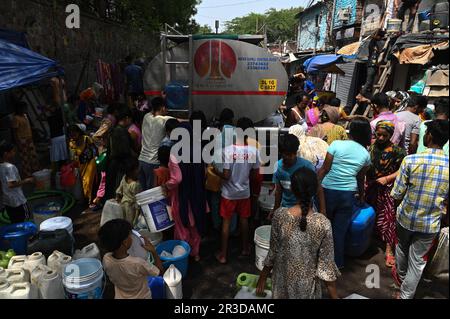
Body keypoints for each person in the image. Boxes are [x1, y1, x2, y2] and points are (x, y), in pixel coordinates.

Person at [256, 168, 340, 299]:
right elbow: (326, 267)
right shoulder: (323, 223)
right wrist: (335, 297)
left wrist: (263, 277)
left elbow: (273, 251)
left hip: (281, 283)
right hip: (306, 289)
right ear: (315, 190)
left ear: (292, 190)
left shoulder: (280, 216)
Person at [391, 119, 449, 299]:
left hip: (406, 217)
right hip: (430, 223)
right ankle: (406, 295)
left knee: (401, 249)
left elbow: (397, 193)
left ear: (429, 136)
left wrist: (396, 210)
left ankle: (401, 284)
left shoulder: (411, 160)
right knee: (417, 261)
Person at [317, 117, 372, 269]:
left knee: (322, 226)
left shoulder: (336, 145)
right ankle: (337, 263)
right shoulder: (365, 154)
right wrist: (361, 196)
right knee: (339, 231)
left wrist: (313, 186)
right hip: (348, 194)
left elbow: (324, 170)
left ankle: (319, 261)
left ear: (351, 131)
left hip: (327, 191)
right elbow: (361, 178)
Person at [214, 118, 260, 264]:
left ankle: (223, 255)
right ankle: (245, 248)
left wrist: (216, 171)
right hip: (244, 192)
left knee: (226, 223)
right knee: (244, 221)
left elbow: (226, 175)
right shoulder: (254, 151)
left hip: (228, 194)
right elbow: (254, 173)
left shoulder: (228, 151)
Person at [365, 121, 407, 268]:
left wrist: (387, 178)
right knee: (370, 216)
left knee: (389, 219)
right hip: (371, 187)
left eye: (385, 135)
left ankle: (389, 250)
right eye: (379, 134)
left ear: (390, 135)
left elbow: (402, 170)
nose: (381, 138)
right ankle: (367, 244)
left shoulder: (398, 151)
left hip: (387, 188)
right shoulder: (370, 147)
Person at [154, 145, 202, 261]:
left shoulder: (173, 161)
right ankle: (195, 253)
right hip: (194, 197)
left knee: (181, 227)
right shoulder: (195, 155)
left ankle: (182, 254)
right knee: (193, 226)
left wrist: (167, 185)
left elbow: (177, 179)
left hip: (181, 198)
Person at [99, 219, 164, 299]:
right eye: (130, 235)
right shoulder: (137, 263)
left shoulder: (106, 259)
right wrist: (153, 251)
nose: (132, 238)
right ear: (125, 242)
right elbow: (159, 272)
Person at [271, 134, 323, 217]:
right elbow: (278, 191)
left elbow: (318, 189)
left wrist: (323, 210)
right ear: (281, 153)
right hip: (286, 210)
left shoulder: (307, 166)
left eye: (293, 154)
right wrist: (275, 210)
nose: (291, 157)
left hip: (306, 211)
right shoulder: (277, 167)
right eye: (287, 154)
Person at [139, 97, 171, 191]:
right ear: (162, 108)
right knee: (152, 195)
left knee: (143, 193)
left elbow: (153, 111)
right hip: (153, 162)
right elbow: (180, 121)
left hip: (141, 160)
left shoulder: (146, 117)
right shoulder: (165, 120)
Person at [104, 109, 137, 201]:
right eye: (130, 119)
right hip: (120, 165)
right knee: (118, 188)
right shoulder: (121, 131)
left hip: (113, 163)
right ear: (126, 118)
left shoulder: (114, 130)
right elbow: (125, 150)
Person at [0, 143, 35, 224]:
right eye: (12, 152)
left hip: (7, 201)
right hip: (18, 201)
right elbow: (11, 184)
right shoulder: (10, 167)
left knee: (15, 222)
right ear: (6, 154)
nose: (14, 153)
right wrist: (27, 180)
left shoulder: (1, 166)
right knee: (25, 221)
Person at [69, 124, 97, 203]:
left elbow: (94, 150)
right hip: (80, 166)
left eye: (74, 133)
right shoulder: (71, 143)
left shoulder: (86, 139)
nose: (73, 136)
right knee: (81, 184)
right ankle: (86, 199)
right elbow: (72, 156)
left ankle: (90, 200)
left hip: (89, 163)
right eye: (71, 134)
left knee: (88, 182)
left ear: (79, 132)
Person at [11, 101, 40, 178]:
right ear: (19, 109)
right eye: (23, 108)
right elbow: (15, 132)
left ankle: (35, 171)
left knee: (33, 156)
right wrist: (18, 143)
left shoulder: (25, 115)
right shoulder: (16, 118)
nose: (25, 109)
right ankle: (28, 174)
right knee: (25, 158)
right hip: (22, 140)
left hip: (29, 139)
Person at [116, 158, 142, 225]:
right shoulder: (136, 184)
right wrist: (136, 218)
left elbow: (119, 190)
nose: (138, 170)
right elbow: (137, 202)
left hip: (123, 204)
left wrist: (118, 198)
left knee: (124, 222)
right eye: (136, 169)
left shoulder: (124, 177)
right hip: (131, 208)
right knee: (130, 224)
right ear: (131, 171)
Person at [362, 29, 386, 97]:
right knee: (369, 81)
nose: (381, 38)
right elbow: (374, 36)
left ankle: (370, 95)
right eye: (380, 37)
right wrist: (379, 30)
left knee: (373, 82)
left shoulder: (376, 43)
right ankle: (361, 94)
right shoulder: (373, 42)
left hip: (375, 65)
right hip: (371, 65)